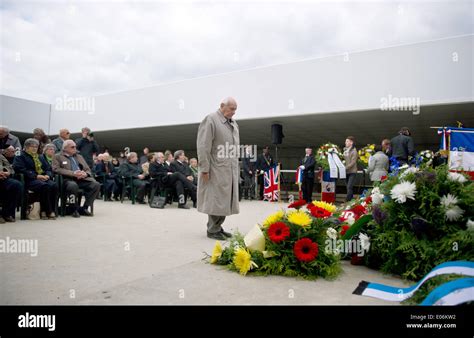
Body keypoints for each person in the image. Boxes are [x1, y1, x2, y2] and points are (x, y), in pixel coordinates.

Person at [196, 97, 240, 240]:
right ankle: (212, 229)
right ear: (222, 106)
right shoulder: (210, 120)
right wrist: (204, 169)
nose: (234, 112)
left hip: (229, 168)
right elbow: (203, 146)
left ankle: (217, 227)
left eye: (235, 109)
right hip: (215, 168)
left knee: (225, 200)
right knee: (217, 200)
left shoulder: (233, 123)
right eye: (232, 109)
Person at [53, 140, 100, 217]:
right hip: (67, 180)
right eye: (72, 147)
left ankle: (84, 208)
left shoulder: (79, 156)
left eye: (75, 146)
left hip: (81, 179)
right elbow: (56, 169)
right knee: (73, 186)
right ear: (65, 148)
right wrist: (73, 173)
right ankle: (73, 209)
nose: (75, 148)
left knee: (96, 185)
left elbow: (87, 169)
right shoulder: (57, 156)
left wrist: (85, 173)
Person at [13, 138, 58, 220]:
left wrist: (48, 175)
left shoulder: (40, 157)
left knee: (53, 185)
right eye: (32, 146)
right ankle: (47, 210)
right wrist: (36, 176)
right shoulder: (20, 156)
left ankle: (48, 210)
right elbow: (19, 169)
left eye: (36, 147)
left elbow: (48, 168)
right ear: (26, 147)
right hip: (29, 180)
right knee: (45, 186)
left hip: (42, 178)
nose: (34, 148)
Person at [0, 153, 23, 222]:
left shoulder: (1, 156)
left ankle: (7, 213)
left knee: (16, 185)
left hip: (3, 178)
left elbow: (9, 167)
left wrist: (7, 172)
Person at [343, 136, 358, 202]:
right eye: (345, 141)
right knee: (348, 187)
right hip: (346, 172)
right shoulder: (345, 151)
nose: (345, 142)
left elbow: (353, 162)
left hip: (352, 172)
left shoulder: (354, 151)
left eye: (347, 141)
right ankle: (351, 201)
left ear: (351, 143)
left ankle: (347, 200)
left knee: (349, 186)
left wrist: (345, 168)